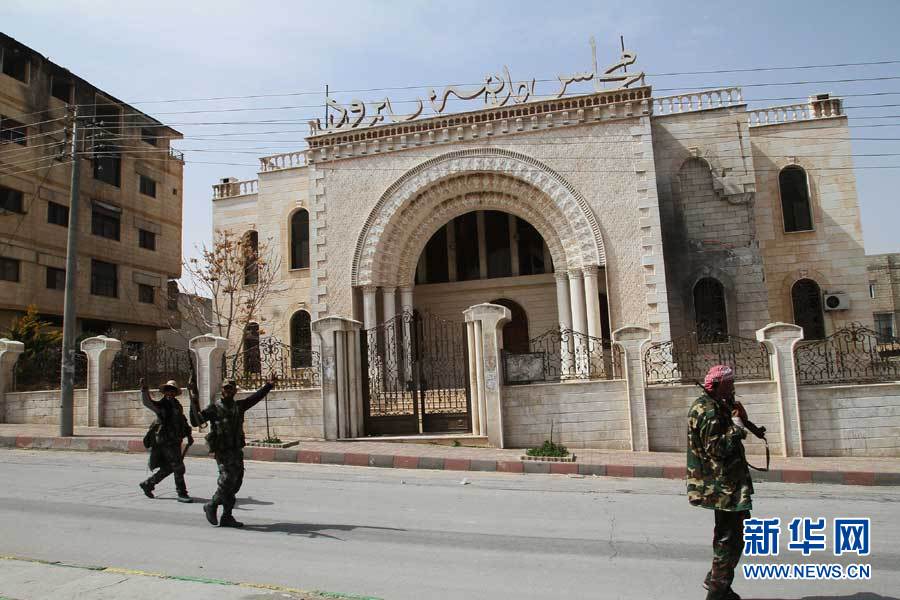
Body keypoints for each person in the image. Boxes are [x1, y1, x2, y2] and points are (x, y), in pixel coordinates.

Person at [687, 365, 754, 600]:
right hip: (722, 487)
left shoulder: (716, 404)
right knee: (729, 539)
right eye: (730, 383)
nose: (733, 387)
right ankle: (717, 591)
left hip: (730, 484)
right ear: (718, 385)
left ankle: (718, 582)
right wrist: (737, 428)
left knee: (734, 537)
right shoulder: (708, 410)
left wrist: (739, 418)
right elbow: (716, 448)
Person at [188, 373, 276, 528]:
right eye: (226, 388)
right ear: (222, 390)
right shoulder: (214, 409)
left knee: (235, 483)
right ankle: (212, 504)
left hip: (236, 450)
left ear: (235, 391)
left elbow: (255, 398)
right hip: (223, 451)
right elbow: (196, 421)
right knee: (227, 479)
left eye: (231, 388)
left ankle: (227, 517)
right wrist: (193, 401)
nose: (228, 390)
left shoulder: (239, 406)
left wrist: (268, 385)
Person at [138, 378, 194, 503]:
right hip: (166, 441)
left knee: (169, 468)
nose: (171, 392)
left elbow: (183, 421)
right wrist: (144, 390)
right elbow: (148, 403)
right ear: (165, 392)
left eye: (173, 390)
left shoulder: (177, 405)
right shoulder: (162, 405)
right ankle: (182, 493)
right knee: (178, 466)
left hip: (176, 440)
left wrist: (189, 435)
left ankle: (148, 483)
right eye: (168, 390)